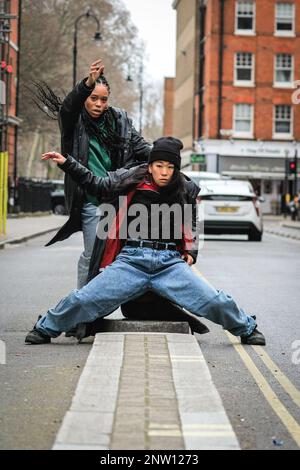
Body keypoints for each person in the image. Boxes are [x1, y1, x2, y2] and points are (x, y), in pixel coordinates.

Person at [25, 137, 266, 346]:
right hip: (131, 261)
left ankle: (246, 328)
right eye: (159, 165)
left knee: (214, 300)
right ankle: (45, 327)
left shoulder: (185, 189)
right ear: (150, 166)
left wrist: (191, 250)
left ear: (176, 168)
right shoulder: (130, 179)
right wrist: (68, 164)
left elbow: (192, 221)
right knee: (84, 299)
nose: (164, 171)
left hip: (169, 264)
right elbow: (96, 184)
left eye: (170, 167)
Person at [36, 59, 151, 288]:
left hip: (118, 198)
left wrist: (164, 157)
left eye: (103, 99)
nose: (99, 104)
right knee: (92, 255)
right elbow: (68, 106)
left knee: (117, 257)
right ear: (86, 98)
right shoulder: (73, 121)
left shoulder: (120, 121)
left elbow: (143, 149)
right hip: (90, 200)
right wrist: (87, 83)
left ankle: (100, 305)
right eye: (93, 98)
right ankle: (83, 308)